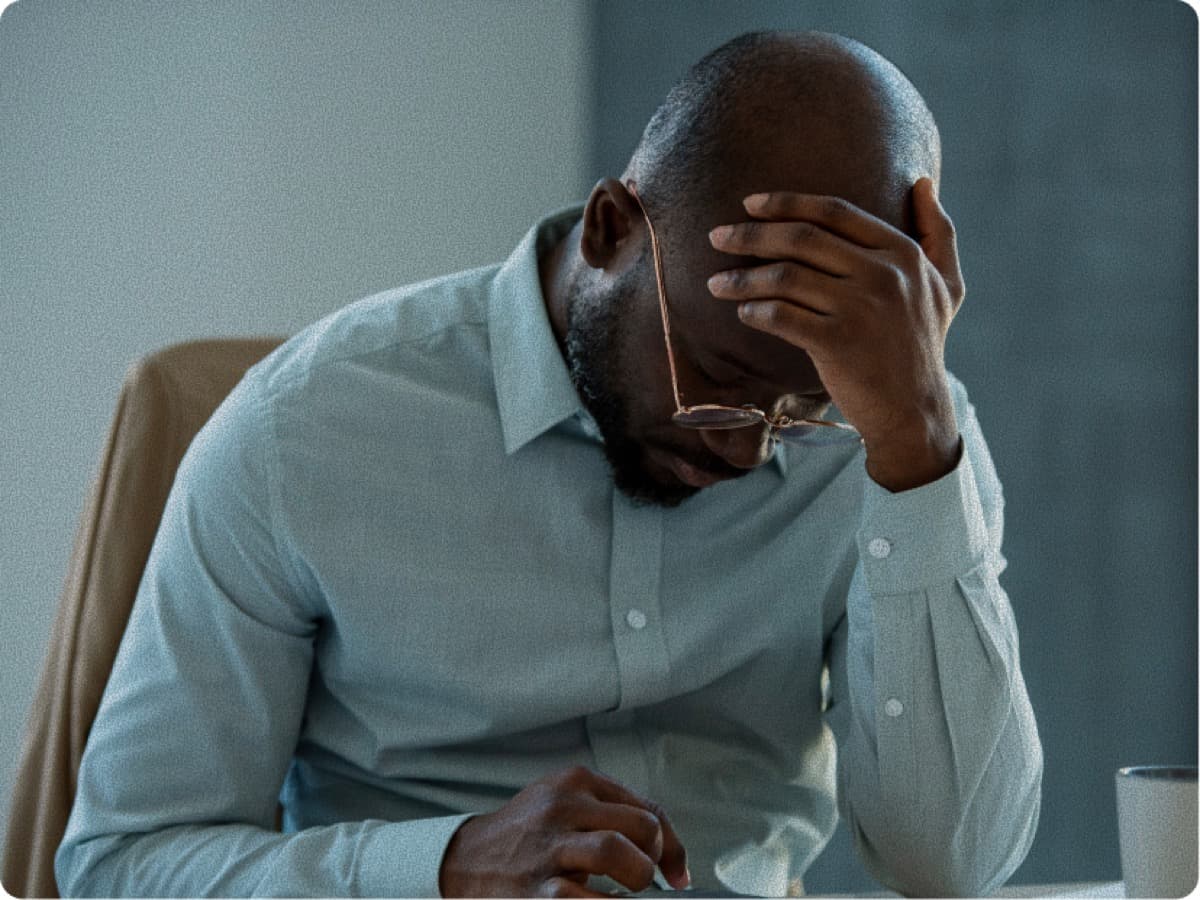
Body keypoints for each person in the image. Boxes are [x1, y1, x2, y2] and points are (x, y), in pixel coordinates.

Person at [56, 30, 1042, 898]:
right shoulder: (303, 430)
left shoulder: (888, 427)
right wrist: (440, 870)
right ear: (611, 229)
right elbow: (122, 864)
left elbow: (946, 866)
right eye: (719, 375)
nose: (746, 445)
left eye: (800, 411)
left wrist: (913, 451)